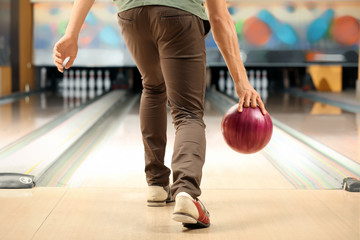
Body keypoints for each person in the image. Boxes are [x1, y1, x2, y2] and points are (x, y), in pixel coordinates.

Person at [53, 0, 268, 229]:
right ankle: (186, 192)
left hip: (132, 16)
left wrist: (71, 33)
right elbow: (219, 17)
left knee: (153, 87)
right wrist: (241, 81)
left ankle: (156, 184)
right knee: (188, 112)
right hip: (179, 15)